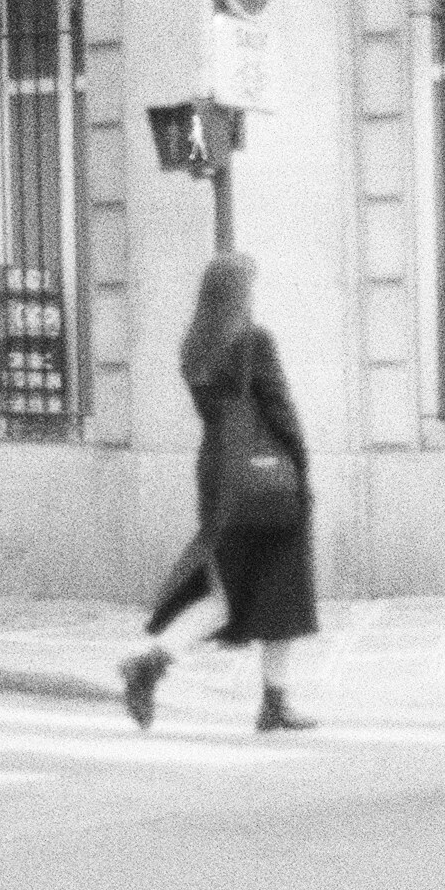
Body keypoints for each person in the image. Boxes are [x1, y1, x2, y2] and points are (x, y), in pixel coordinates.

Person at [118, 252, 320, 734]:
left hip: (220, 475)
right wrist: (300, 465)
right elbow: (279, 410)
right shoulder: (254, 341)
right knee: (278, 587)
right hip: (265, 478)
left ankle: (270, 700)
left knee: (233, 590)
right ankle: (154, 663)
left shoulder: (197, 347)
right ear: (240, 294)